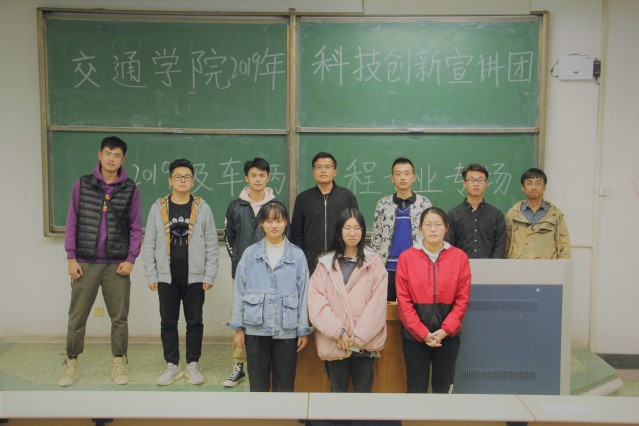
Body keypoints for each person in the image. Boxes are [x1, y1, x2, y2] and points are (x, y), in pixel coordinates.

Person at [59, 136, 142, 387]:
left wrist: (131, 258)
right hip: (85, 262)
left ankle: (118, 362)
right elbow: (72, 221)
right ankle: (71, 362)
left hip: (117, 264)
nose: (111, 159)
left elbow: (135, 226)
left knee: (119, 318)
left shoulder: (130, 189)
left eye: (116, 155)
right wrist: (71, 257)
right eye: (108, 153)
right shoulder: (82, 184)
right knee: (77, 317)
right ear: (99, 155)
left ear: (123, 159)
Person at [142, 159, 219, 386]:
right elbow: (149, 242)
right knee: (168, 321)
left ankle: (192, 364)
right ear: (170, 180)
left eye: (187, 177)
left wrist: (209, 274)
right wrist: (151, 274)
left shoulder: (202, 208)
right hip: (166, 277)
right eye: (178, 176)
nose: (182, 180)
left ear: (193, 181)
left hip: (195, 277)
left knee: (195, 321)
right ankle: (172, 365)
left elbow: (212, 243)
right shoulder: (158, 207)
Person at [229, 201, 312, 392]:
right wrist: (238, 329)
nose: (274, 225)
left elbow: (303, 294)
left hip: (287, 329)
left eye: (279, 220)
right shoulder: (250, 254)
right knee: (258, 385)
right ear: (261, 223)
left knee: (285, 385)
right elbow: (239, 292)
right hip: (255, 329)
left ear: (286, 223)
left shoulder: (298, 255)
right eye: (269, 221)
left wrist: (302, 330)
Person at [308, 208, 388, 393]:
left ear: (363, 231)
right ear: (339, 230)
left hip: (364, 344)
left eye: (357, 228)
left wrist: (358, 339)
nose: (352, 233)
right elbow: (316, 302)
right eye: (347, 228)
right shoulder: (324, 263)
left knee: (363, 395)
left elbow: (377, 306)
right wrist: (339, 333)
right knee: (337, 395)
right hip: (336, 342)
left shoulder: (374, 262)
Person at [396, 207, 471, 394]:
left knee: (443, 390)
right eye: (428, 225)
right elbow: (404, 302)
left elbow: (462, 300)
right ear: (420, 228)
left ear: (446, 228)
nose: (433, 229)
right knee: (416, 389)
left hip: (448, 337)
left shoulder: (459, 257)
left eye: (438, 225)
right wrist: (422, 333)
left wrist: (445, 331)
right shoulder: (406, 258)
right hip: (415, 337)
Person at [222, 157, 275, 387]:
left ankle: (265, 364)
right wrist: (239, 261)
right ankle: (239, 365)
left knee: (267, 314)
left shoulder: (275, 205)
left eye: (262, 175)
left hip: (270, 273)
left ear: (268, 178)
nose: (258, 179)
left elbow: (283, 237)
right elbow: (229, 237)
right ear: (246, 178)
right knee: (240, 316)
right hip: (242, 273)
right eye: (253, 175)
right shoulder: (236, 206)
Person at [371, 157, 432, 301]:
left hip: (417, 269)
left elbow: (431, 237)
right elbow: (376, 238)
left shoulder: (424, 204)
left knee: (416, 308)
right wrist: (375, 268)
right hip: (388, 269)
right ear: (392, 178)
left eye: (407, 173)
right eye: (398, 174)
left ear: (414, 177)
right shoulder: (383, 204)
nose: (402, 177)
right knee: (388, 309)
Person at [291, 152, 358, 275]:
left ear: (335, 171)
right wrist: (303, 258)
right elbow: (296, 234)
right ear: (313, 172)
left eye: (327, 167)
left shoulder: (347, 197)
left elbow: (356, 229)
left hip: (342, 259)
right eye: (318, 167)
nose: (323, 171)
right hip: (311, 262)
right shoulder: (303, 199)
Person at [505, 168, 571, 259]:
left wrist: (561, 266)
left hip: (547, 266)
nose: (534, 187)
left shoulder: (555, 214)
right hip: (518, 265)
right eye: (529, 183)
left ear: (545, 187)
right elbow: (505, 245)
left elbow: (564, 246)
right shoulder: (513, 214)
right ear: (522, 187)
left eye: (538, 183)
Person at [446, 163, 506, 258]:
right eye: (471, 180)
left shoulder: (496, 215)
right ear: (464, 184)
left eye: (481, 180)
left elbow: (500, 246)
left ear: (486, 184)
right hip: (460, 266)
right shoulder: (453, 215)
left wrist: (494, 265)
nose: (476, 184)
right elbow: (449, 246)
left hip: (489, 266)